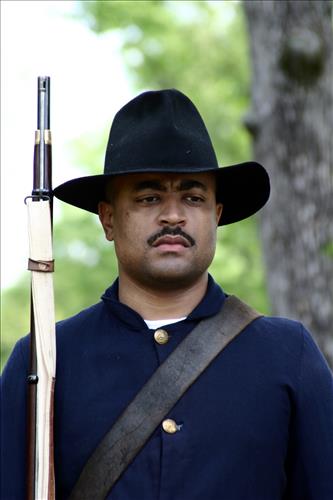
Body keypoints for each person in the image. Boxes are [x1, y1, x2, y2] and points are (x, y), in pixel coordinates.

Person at [1, 89, 333, 500]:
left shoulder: (288, 354)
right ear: (108, 219)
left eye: (193, 197)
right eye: (149, 197)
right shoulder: (45, 359)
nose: (173, 215)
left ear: (216, 216)